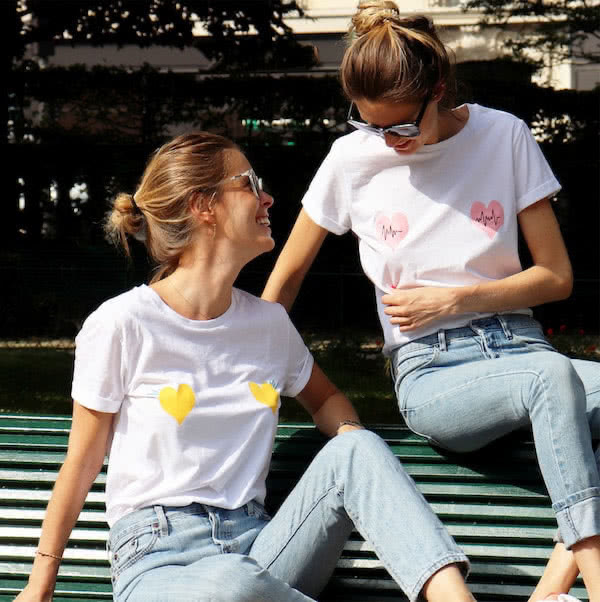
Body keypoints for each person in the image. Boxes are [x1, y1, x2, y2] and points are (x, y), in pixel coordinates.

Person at [15, 132, 478, 602]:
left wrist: (347, 429)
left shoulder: (268, 324)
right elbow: (82, 460)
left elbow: (326, 399)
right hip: (159, 561)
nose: (267, 197)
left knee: (355, 450)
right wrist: (41, 583)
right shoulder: (122, 324)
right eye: (249, 183)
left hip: (260, 550)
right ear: (203, 206)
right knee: (231, 587)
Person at [261, 2, 600, 601]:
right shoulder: (350, 159)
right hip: (435, 372)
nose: (387, 144)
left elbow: (556, 277)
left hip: (520, 347)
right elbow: (285, 280)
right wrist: (242, 366)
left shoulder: (504, 135)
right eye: (370, 126)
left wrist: (457, 298)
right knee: (551, 376)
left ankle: (552, 587)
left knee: (548, 373)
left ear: (437, 91)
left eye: (400, 127)